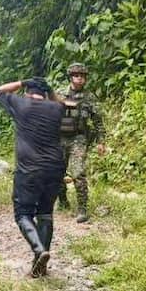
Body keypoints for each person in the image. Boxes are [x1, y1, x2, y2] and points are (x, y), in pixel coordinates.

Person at [0, 77, 65, 277]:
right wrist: (50, 90)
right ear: (45, 94)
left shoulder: (21, 104)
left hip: (29, 170)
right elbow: (59, 102)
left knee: (23, 214)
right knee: (45, 213)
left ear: (27, 92)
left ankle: (39, 250)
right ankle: (39, 265)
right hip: (55, 168)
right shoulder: (56, 108)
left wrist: (22, 82)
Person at [56, 63, 104, 223]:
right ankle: (62, 201)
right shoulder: (59, 94)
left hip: (79, 138)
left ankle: (82, 209)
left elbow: (98, 121)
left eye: (82, 76)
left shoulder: (89, 98)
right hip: (59, 138)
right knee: (57, 171)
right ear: (70, 77)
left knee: (78, 173)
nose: (80, 79)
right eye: (76, 75)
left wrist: (101, 141)